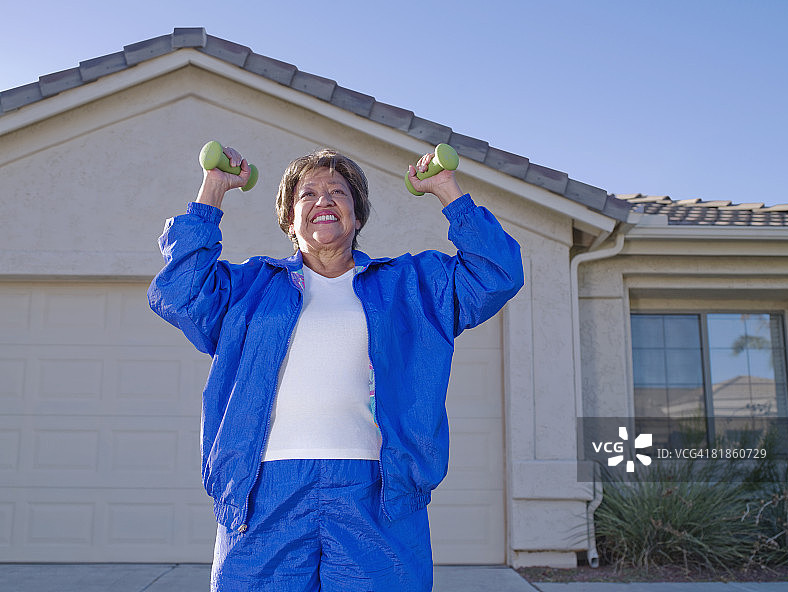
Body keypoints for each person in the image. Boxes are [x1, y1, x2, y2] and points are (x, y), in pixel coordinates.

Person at [147, 145, 524, 592]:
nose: (323, 201)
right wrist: (213, 190)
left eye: (337, 193)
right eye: (307, 194)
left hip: (376, 490)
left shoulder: (409, 286)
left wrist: (446, 189)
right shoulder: (248, 288)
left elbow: (496, 273)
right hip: (263, 489)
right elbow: (181, 291)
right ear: (290, 219)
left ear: (357, 216)